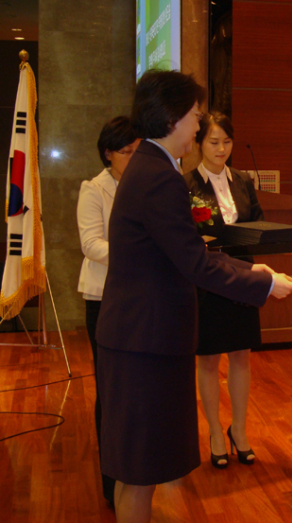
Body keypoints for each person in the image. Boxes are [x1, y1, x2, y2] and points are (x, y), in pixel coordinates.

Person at [95, 70, 292, 523]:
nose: (197, 126)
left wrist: (254, 268)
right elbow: (195, 264)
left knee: (140, 470)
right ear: (171, 118)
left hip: (141, 338)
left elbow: (191, 252)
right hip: (143, 343)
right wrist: (265, 284)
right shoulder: (159, 176)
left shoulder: (151, 168)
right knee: (140, 471)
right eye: (193, 117)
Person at [183, 111, 263, 469]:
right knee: (209, 357)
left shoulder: (244, 181)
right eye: (213, 142)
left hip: (242, 277)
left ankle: (240, 430)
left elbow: (257, 224)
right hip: (207, 279)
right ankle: (215, 432)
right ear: (199, 143)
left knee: (242, 354)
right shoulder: (186, 185)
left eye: (227, 142)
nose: (221, 149)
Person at [76, 115, 140, 505]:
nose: (132, 158)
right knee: (111, 391)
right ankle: (109, 480)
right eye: (125, 151)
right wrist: (138, 257)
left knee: (134, 391)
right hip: (104, 299)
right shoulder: (93, 189)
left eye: (137, 151)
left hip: (138, 299)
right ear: (108, 153)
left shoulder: (142, 186)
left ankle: (134, 471)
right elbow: (91, 244)